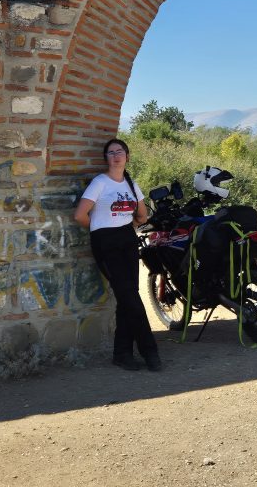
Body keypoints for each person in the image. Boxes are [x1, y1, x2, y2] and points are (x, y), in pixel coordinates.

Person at [73, 138, 162, 372]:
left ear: (127, 156)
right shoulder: (99, 183)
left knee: (127, 298)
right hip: (106, 242)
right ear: (106, 158)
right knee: (130, 297)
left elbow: (142, 216)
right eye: (111, 152)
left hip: (127, 239)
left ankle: (122, 354)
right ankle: (150, 351)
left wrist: (125, 226)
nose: (115, 155)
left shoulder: (131, 184)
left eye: (119, 151)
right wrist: (100, 227)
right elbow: (80, 215)